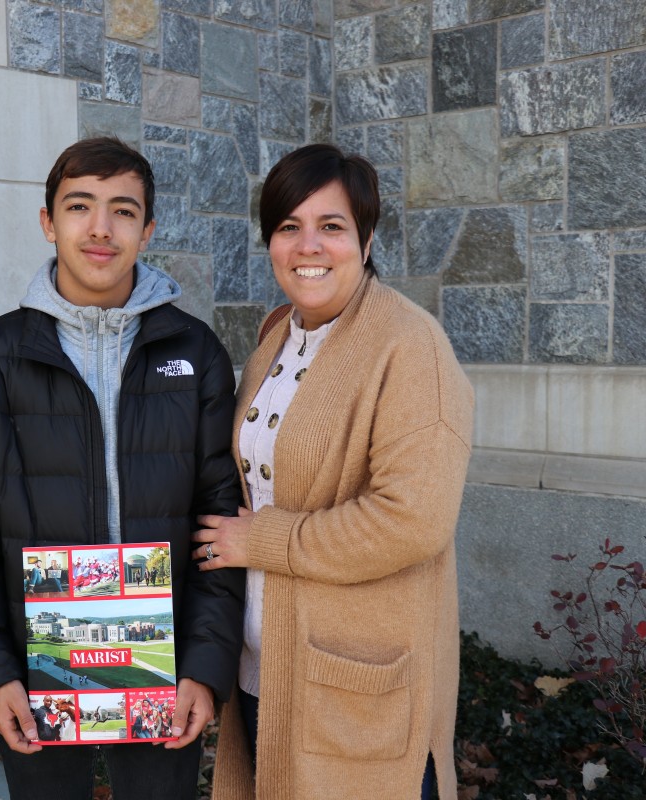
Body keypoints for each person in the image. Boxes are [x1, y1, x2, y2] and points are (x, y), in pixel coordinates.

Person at [0, 137, 244, 799]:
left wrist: (205, 666)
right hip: (36, 670)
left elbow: (222, 524)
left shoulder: (196, 356)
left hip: (163, 671)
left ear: (148, 229)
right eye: (80, 206)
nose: (100, 228)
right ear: (48, 222)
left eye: (123, 210)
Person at [193, 143, 474, 799]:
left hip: (354, 686)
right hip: (267, 668)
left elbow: (412, 520)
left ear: (366, 239)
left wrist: (261, 540)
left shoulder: (410, 346)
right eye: (288, 226)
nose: (307, 245)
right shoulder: (275, 339)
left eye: (332, 226)